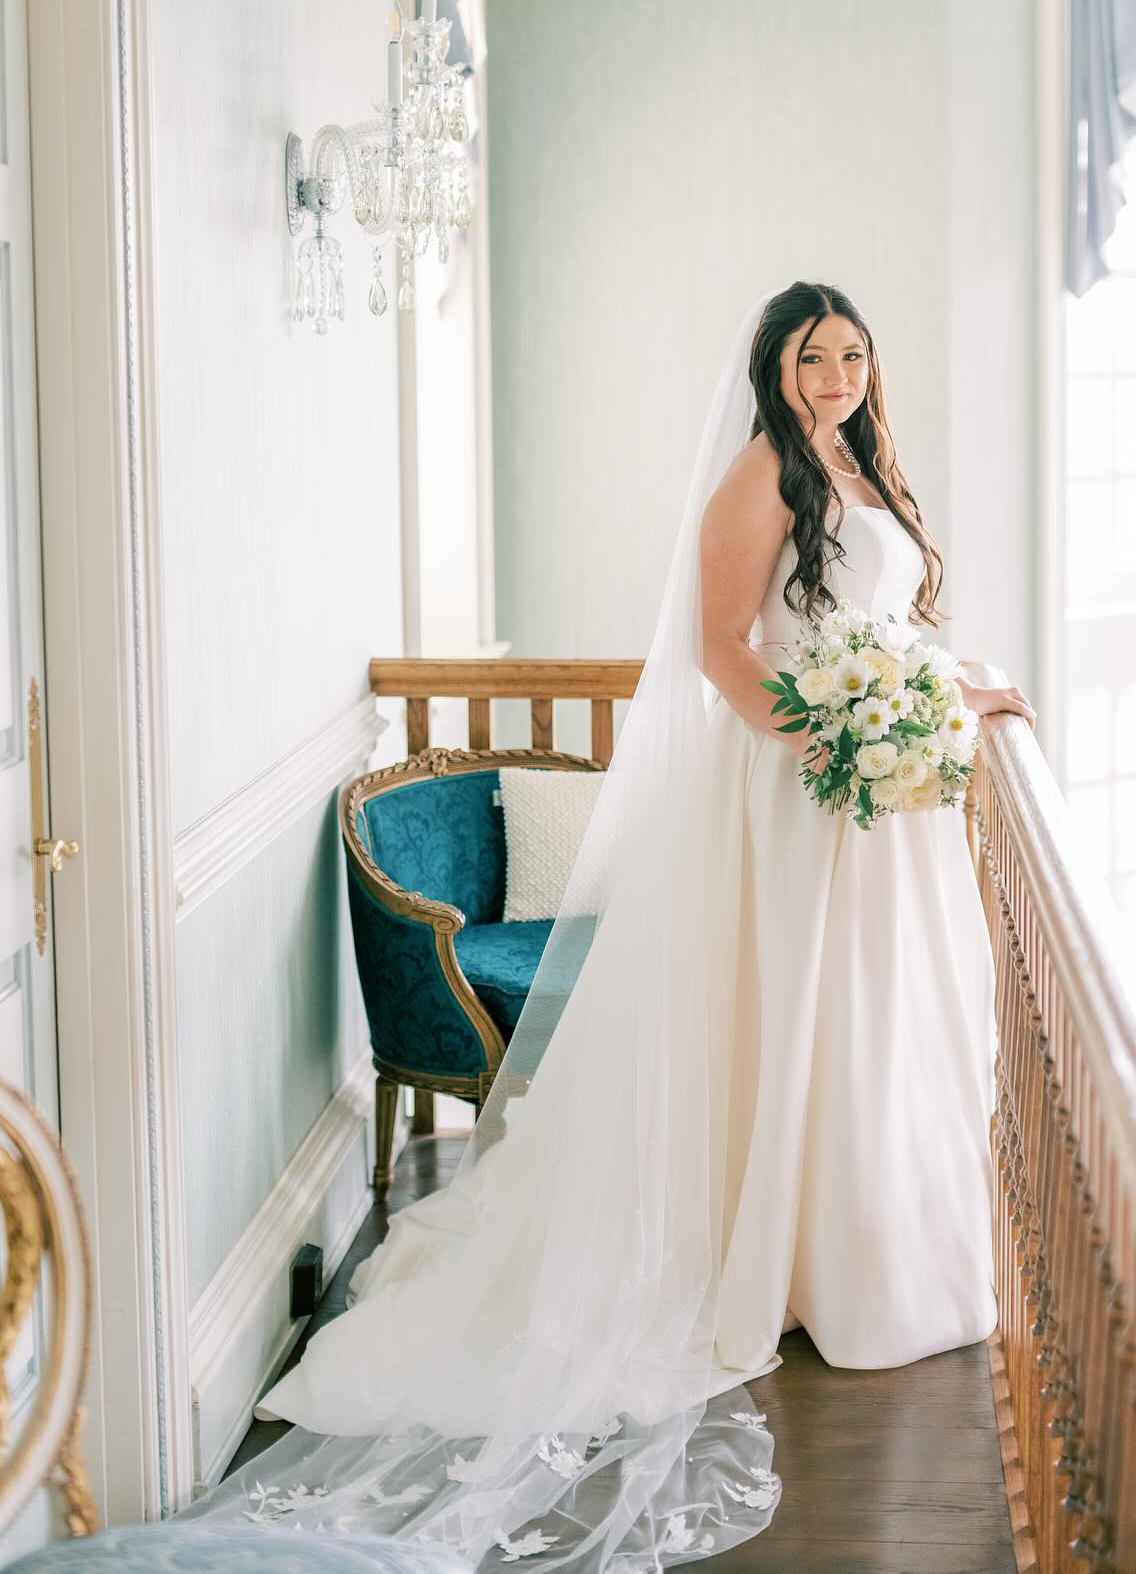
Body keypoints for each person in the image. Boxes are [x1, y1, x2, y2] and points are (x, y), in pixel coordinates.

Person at [182, 280, 1036, 1571]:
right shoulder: (762, 474)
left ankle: (861, 1244)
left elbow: (887, 627)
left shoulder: (861, 465)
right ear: (775, 364)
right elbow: (721, 650)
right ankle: (787, 1256)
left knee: (870, 1020)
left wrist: (948, 692)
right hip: (808, 796)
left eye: (854, 353)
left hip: (887, 804)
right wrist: (837, 733)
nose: (838, 374)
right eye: (815, 357)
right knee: (806, 1013)